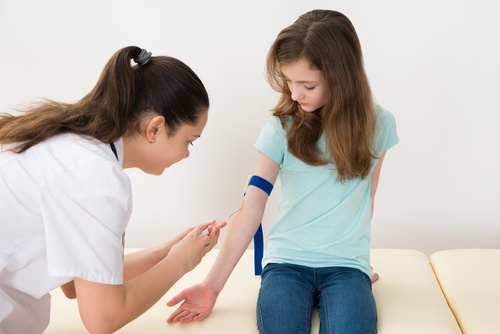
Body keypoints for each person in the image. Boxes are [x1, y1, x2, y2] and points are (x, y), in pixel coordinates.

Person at [166, 10, 399, 334]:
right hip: (287, 265)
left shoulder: (379, 125)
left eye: (307, 85)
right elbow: (252, 205)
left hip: (347, 268)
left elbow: (365, 199)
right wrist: (211, 286)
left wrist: (356, 256)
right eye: (289, 81)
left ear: (342, 77)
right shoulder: (280, 128)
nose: (294, 94)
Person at [0, 46, 226, 334]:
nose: (186, 155)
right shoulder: (95, 179)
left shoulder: (73, 147)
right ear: (155, 129)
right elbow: (103, 318)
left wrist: (168, 250)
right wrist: (180, 263)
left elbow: (75, 283)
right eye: (189, 141)